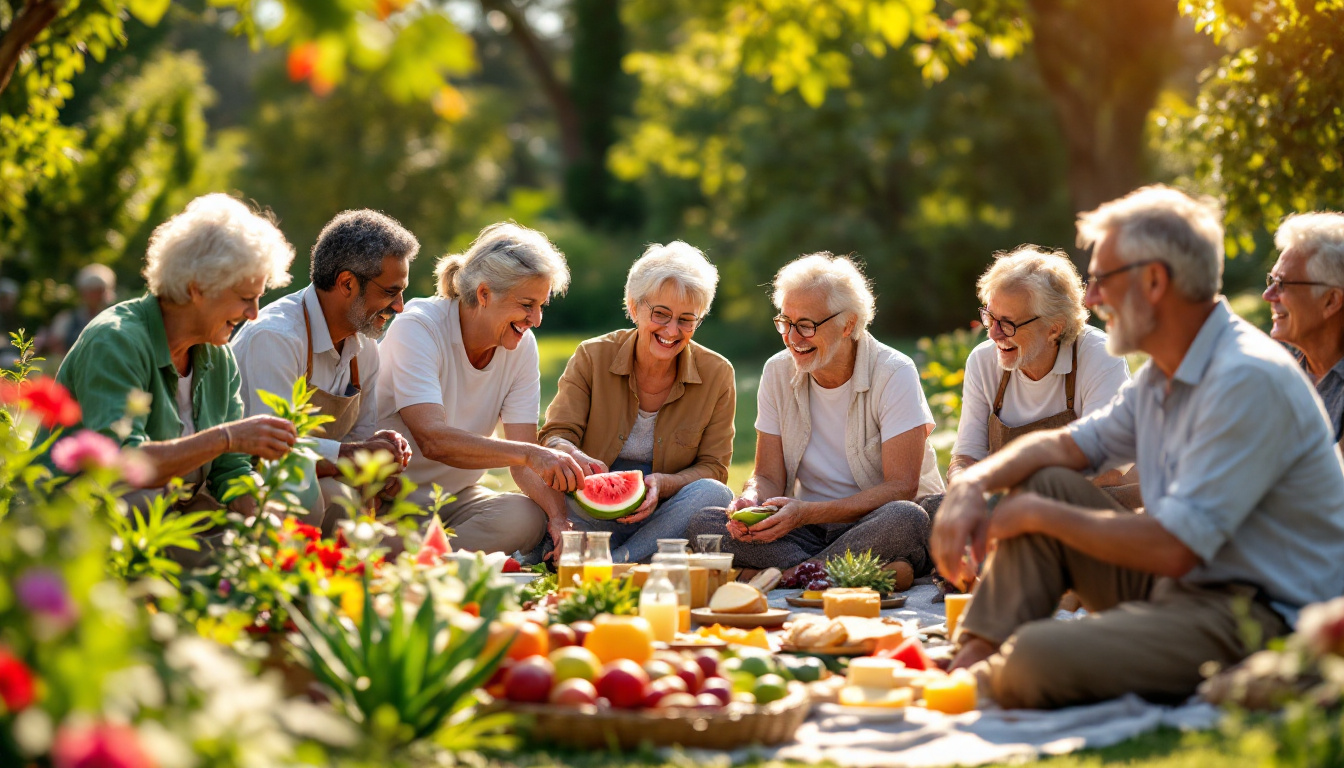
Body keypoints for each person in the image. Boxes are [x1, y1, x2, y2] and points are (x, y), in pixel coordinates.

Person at [933, 185, 1344, 710]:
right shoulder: (1162, 374)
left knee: (1034, 655)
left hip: (1256, 615)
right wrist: (972, 483)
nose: (1091, 299)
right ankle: (971, 656)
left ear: (1154, 282)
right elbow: (1068, 445)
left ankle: (992, 675)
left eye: (1102, 279)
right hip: (1181, 589)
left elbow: (1177, 546)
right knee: (1046, 481)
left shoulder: (1245, 378)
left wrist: (1037, 516)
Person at [685, 253, 944, 585]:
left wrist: (806, 513)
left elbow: (901, 488)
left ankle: (787, 575)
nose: (793, 338)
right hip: (808, 529)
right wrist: (751, 497)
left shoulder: (894, 372)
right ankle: (860, 570)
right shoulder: (777, 371)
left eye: (806, 325)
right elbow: (767, 475)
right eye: (786, 322)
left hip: (877, 522)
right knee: (705, 524)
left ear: (848, 324)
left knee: (906, 518)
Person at [38, 194, 302, 515]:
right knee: (141, 498)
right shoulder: (115, 340)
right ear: (197, 288)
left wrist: (263, 517)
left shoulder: (218, 356)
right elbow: (122, 465)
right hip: (76, 518)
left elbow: (231, 471)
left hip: (171, 515)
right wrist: (227, 437)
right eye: (246, 297)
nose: (254, 314)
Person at [375, 222, 581, 555]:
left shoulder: (522, 346)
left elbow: (523, 463)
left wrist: (559, 520)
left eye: (541, 306)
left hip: (454, 502)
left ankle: (419, 557)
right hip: (385, 499)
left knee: (526, 517)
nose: (536, 320)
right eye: (527, 305)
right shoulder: (419, 327)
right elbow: (433, 440)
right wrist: (530, 454)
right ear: (484, 294)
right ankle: (432, 559)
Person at [540, 242, 735, 563]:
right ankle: (629, 556)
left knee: (715, 494)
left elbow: (714, 468)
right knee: (535, 500)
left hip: (666, 515)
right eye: (661, 314)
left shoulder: (717, 373)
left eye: (686, 319)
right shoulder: (592, 355)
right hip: (588, 509)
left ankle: (612, 562)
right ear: (633, 307)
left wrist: (665, 484)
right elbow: (555, 435)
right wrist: (573, 453)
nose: (672, 330)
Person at [232, 210, 417, 530]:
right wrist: (353, 454)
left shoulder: (365, 347)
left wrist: (380, 456)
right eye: (390, 292)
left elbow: (358, 442)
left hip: (308, 485)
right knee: (311, 491)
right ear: (347, 283)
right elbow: (273, 453)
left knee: (346, 499)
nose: (400, 306)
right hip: (246, 489)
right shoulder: (277, 337)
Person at [930, 246, 1135, 514]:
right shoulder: (983, 360)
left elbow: (1107, 467)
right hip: (1007, 505)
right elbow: (967, 455)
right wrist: (963, 488)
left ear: (1054, 328)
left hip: (1085, 509)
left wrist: (1017, 499)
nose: (993, 334)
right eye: (990, 317)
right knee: (932, 509)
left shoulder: (1099, 355)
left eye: (1007, 323)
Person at [1262, 211, 1344, 443]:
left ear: (1331, 301)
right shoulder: (1274, 368)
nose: (1268, 295)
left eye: (1282, 284)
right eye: (1271, 280)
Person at [37, 264, 117, 360]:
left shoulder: (115, 319)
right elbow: (56, 347)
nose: (97, 296)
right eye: (93, 291)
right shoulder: (67, 318)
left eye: (100, 291)